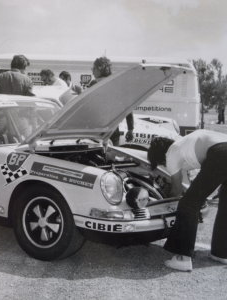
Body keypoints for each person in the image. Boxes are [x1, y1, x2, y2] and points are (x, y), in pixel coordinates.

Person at [147, 130, 227, 271]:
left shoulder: (171, 152)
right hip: (222, 146)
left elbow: (177, 190)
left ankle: (182, 259)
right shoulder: (184, 142)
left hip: (221, 152)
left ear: (160, 156)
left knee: (188, 203)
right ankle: (221, 253)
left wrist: (164, 200)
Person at [88, 56, 134, 145]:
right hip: (107, 132)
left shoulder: (95, 84)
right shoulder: (116, 84)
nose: (92, 71)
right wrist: (130, 129)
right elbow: (128, 107)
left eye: (93, 68)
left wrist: (130, 129)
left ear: (100, 68)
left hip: (100, 132)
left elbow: (127, 107)